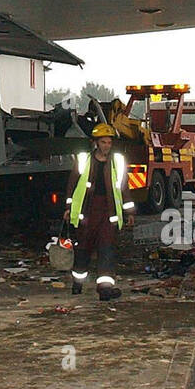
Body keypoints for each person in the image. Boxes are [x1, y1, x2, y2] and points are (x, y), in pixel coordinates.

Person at [63, 123, 135, 301]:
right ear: (95, 143)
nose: (106, 146)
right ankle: (77, 283)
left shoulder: (117, 161)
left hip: (108, 212)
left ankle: (105, 289)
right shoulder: (83, 160)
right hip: (87, 212)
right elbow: (71, 186)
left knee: (106, 249)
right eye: (103, 142)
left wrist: (129, 212)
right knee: (83, 249)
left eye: (109, 143)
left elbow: (124, 188)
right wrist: (68, 208)